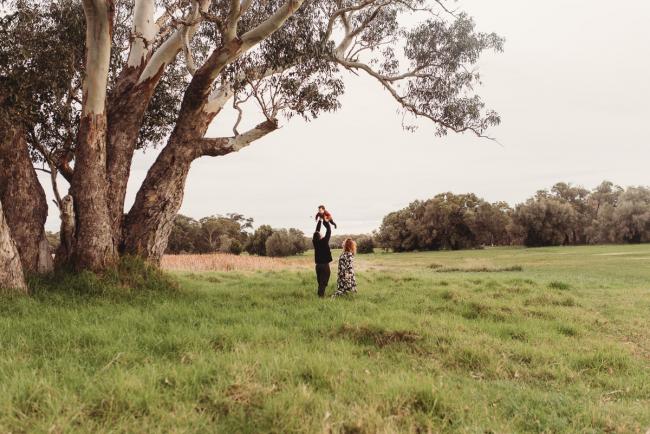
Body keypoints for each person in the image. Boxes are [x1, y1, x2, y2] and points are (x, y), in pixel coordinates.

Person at [312, 218, 332, 298]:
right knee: (324, 282)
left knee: (320, 282)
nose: (321, 234)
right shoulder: (324, 241)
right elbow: (329, 231)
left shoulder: (315, 242)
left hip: (318, 266)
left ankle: (320, 295)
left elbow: (316, 231)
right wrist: (326, 222)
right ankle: (321, 297)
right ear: (320, 236)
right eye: (320, 234)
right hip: (324, 266)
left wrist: (320, 221)